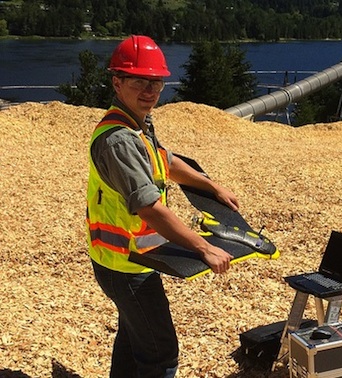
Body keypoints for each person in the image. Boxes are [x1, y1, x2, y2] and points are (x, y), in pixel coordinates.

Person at [86, 35, 238, 377]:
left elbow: (165, 160)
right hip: (125, 266)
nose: (150, 91)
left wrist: (210, 184)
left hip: (127, 258)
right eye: (140, 81)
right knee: (160, 355)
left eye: (156, 82)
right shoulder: (120, 140)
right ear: (117, 82)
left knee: (133, 339)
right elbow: (150, 208)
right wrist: (204, 248)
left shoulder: (136, 124)